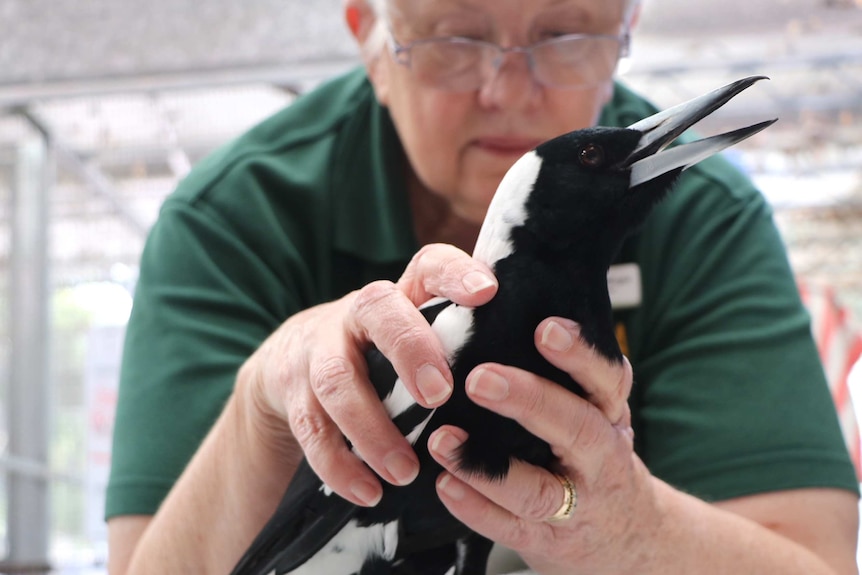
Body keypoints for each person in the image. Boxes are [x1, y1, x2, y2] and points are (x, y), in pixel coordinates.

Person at [105, 0, 860, 573]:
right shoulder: (231, 214)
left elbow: (813, 557)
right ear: (373, 39)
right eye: (454, 38)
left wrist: (634, 526)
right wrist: (260, 410)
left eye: (564, 33)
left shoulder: (708, 217)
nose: (507, 88)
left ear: (624, 30)